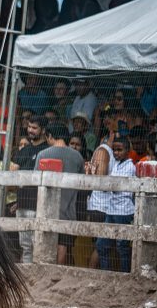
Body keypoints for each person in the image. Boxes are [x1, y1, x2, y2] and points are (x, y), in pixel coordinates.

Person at [35, 123, 85, 265]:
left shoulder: (43, 155)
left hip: (46, 210)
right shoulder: (77, 157)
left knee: (46, 245)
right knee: (63, 246)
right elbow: (83, 183)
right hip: (68, 212)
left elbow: (35, 180)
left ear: (50, 136)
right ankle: (58, 273)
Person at [10, 115, 50, 263]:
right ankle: (27, 272)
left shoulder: (47, 150)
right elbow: (13, 172)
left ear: (43, 130)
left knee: (37, 243)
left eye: (35, 128)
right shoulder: (24, 149)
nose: (31, 130)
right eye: (29, 127)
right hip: (22, 202)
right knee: (25, 244)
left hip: (38, 204)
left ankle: (37, 272)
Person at [96, 137, 136, 272]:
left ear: (127, 151)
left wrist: (104, 184)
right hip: (112, 210)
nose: (116, 153)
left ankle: (125, 275)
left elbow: (114, 185)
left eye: (120, 150)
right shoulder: (117, 165)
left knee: (122, 247)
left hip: (123, 211)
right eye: (114, 150)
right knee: (102, 245)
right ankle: (106, 273)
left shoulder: (130, 166)